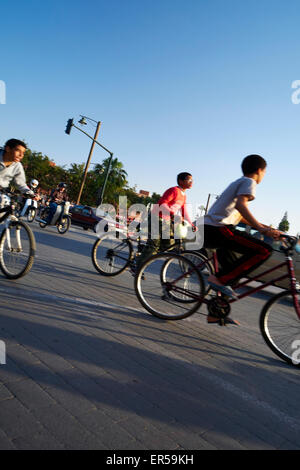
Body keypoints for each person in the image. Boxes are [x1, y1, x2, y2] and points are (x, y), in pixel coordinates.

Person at [203, 154, 282, 324]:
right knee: (264, 250)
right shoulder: (249, 182)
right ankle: (218, 280)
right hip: (218, 229)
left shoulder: (238, 183)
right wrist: (261, 229)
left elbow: (240, 215)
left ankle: (216, 312)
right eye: (265, 172)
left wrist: (266, 228)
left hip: (212, 228)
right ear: (259, 170)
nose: (264, 176)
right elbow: (241, 205)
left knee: (233, 271)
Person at [136, 172, 195, 269]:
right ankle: (137, 266)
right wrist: (172, 213)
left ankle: (144, 253)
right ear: (181, 181)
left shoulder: (183, 195)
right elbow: (163, 203)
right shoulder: (173, 190)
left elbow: (184, 211)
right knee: (154, 245)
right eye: (189, 180)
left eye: (192, 180)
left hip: (166, 221)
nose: (191, 182)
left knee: (169, 243)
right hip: (157, 217)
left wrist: (191, 223)